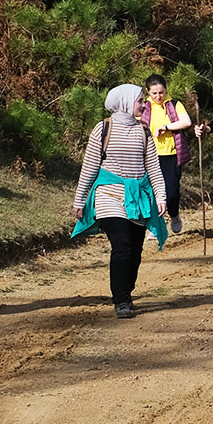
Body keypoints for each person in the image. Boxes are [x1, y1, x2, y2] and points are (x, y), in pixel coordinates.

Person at [70, 84, 167, 317]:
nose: (144, 104)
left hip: (138, 198)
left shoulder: (143, 130)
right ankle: (120, 299)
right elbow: (90, 167)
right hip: (109, 196)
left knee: (135, 250)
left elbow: (153, 166)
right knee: (121, 246)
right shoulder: (103, 129)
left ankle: (127, 290)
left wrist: (161, 196)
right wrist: (79, 200)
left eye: (144, 100)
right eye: (140, 100)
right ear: (125, 101)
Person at [140, 74, 193, 236]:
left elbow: (186, 122)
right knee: (151, 192)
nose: (158, 96)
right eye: (154, 93)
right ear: (148, 92)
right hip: (149, 156)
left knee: (171, 191)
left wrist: (167, 127)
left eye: (161, 92)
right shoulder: (143, 106)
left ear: (166, 90)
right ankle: (155, 224)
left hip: (171, 155)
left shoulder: (174, 104)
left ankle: (174, 214)